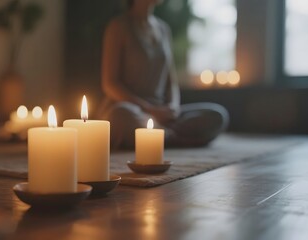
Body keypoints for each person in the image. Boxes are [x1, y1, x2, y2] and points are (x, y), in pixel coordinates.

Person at [98, 0, 229, 149]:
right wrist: (149, 109)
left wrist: (173, 106)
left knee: (217, 115)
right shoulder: (118, 27)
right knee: (119, 116)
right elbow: (110, 84)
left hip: (163, 114)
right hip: (133, 112)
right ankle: (171, 139)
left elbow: (170, 80)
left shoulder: (163, 29)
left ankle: (157, 138)